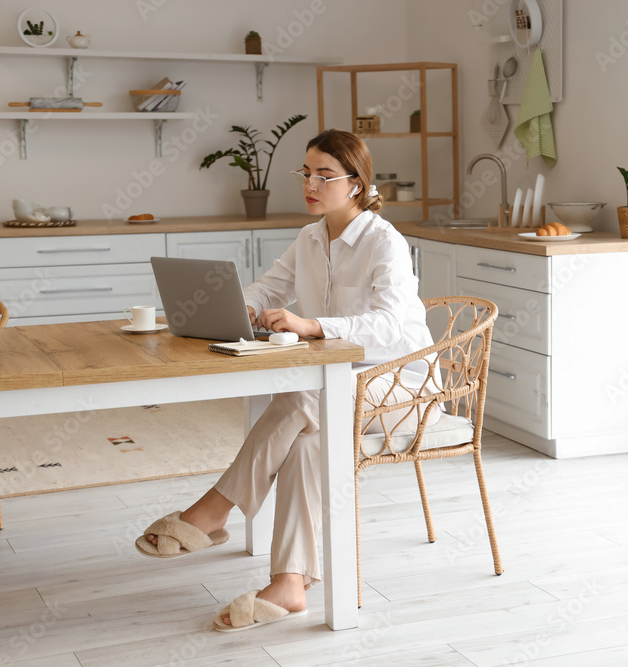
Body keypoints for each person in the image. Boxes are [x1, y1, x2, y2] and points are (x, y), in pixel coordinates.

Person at [136, 128, 441, 632]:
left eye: (326, 175)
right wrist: (245, 307)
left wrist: (313, 325)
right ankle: (289, 585)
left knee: (303, 394)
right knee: (305, 442)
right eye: (307, 172)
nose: (312, 183)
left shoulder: (385, 241)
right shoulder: (310, 237)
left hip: (401, 381)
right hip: (342, 382)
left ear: (357, 184)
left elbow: (390, 326)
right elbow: (267, 286)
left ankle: (213, 510)